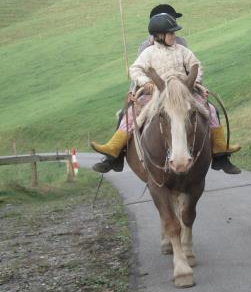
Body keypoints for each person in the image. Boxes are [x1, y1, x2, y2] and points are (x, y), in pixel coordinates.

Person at [91, 10, 242, 174]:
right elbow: (135, 69)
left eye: (174, 33)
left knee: (211, 110)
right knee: (131, 114)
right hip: (158, 92)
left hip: (183, 90)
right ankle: (114, 151)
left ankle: (220, 151)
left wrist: (195, 82)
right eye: (170, 33)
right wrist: (145, 82)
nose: (174, 36)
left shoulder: (182, 50)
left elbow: (196, 65)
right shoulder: (148, 52)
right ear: (159, 36)